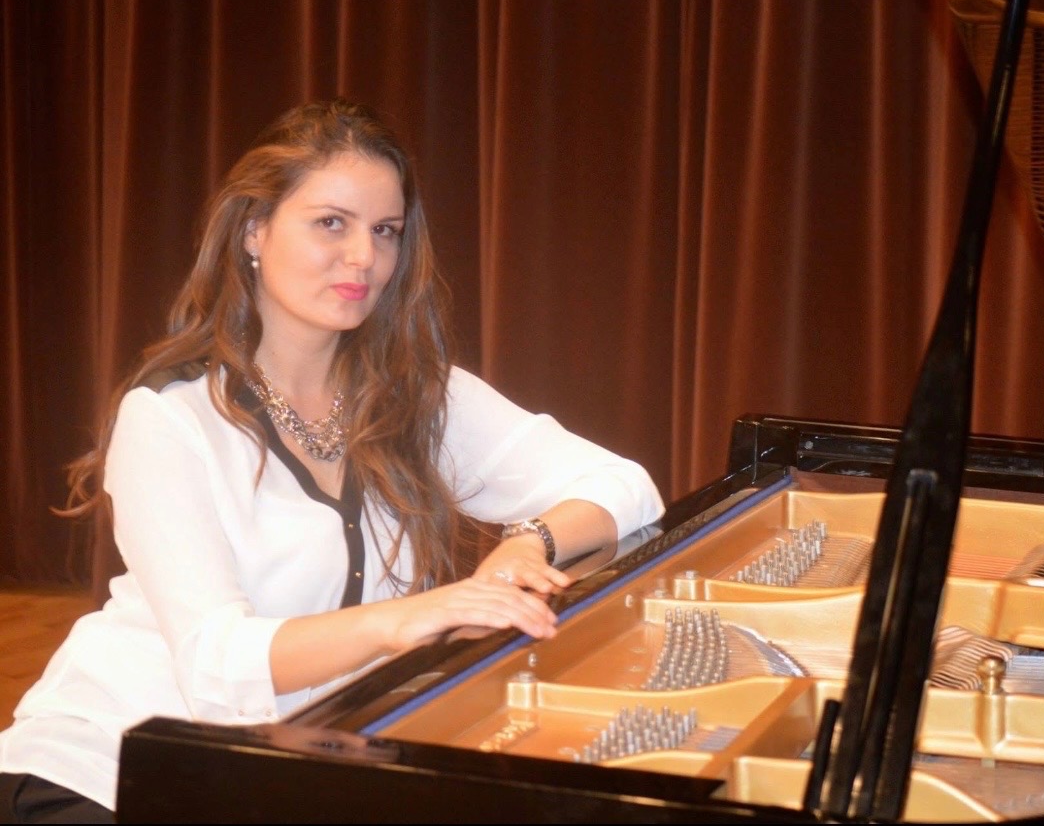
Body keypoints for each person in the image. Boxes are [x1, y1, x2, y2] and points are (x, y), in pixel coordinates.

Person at [0, 98, 665, 822]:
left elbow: (623, 485)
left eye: (385, 231)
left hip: (290, 774)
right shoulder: (169, 417)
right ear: (254, 230)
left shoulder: (420, 395)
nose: (364, 258)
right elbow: (216, 660)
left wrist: (526, 544)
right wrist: (405, 620)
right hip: (104, 771)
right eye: (331, 223)